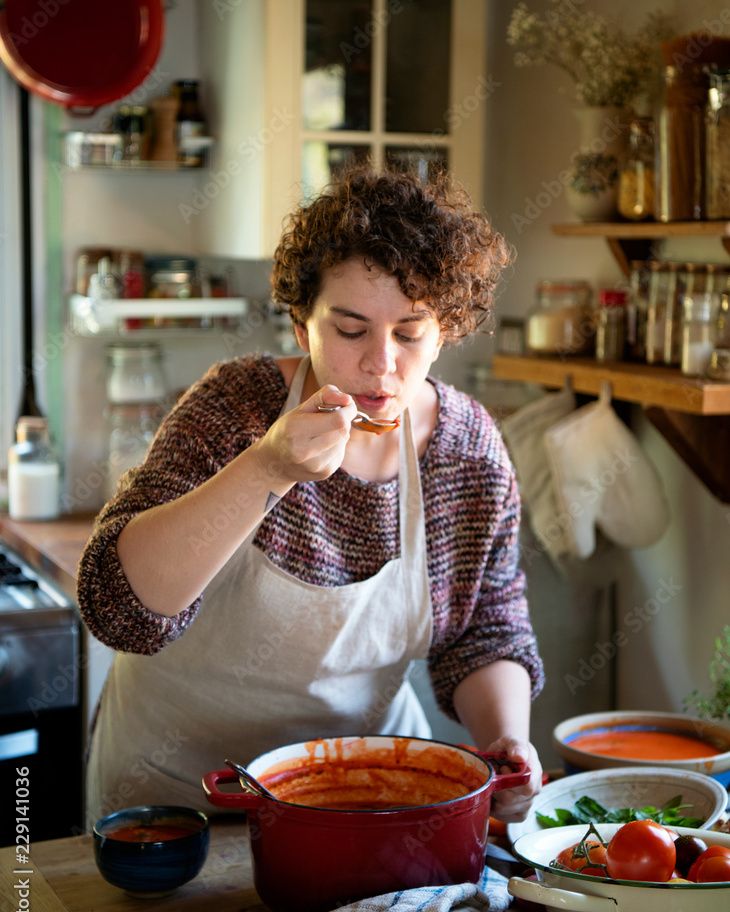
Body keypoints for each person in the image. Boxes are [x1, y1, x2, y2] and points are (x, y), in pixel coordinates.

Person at [77, 163, 545, 827]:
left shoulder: (468, 453)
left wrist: (507, 739)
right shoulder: (236, 409)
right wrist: (268, 468)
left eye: (410, 332)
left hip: (356, 799)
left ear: (447, 330)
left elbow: (485, 629)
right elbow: (120, 609)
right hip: (178, 798)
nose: (382, 363)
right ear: (302, 327)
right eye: (350, 330)